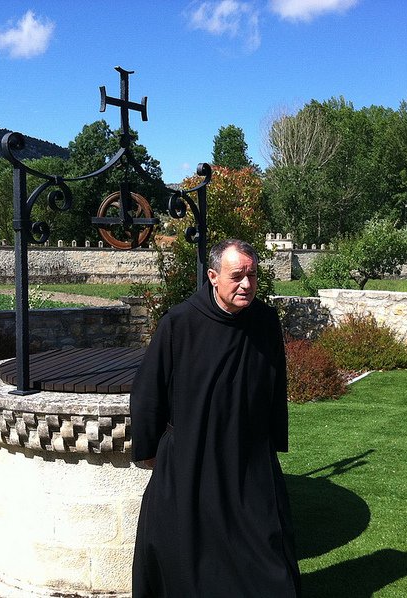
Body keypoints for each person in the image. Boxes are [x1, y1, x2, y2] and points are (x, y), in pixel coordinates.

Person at [131, 239, 301, 597]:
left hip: (248, 457)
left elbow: (275, 385)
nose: (247, 284)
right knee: (185, 554)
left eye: (252, 275)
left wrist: (273, 441)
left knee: (265, 549)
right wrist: (150, 451)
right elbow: (148, 392)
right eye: (237, 276)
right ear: (213, 276)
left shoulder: (265, 321)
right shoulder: (179, 323)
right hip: (191, 456)